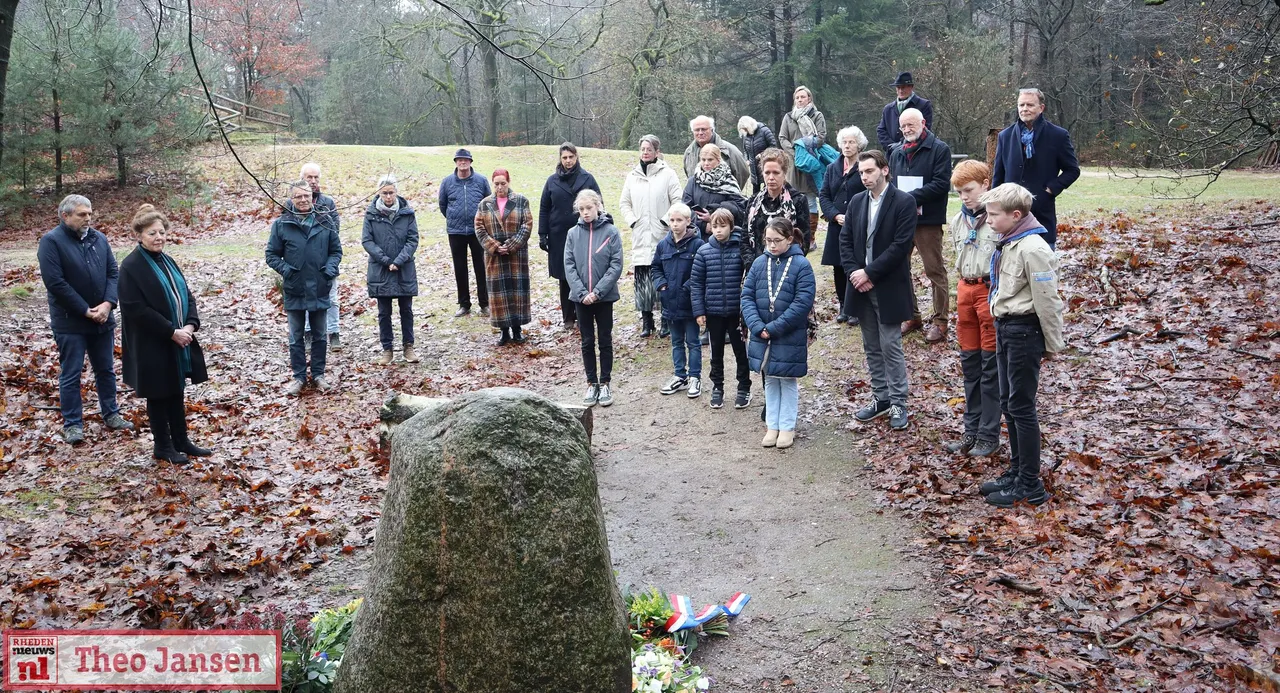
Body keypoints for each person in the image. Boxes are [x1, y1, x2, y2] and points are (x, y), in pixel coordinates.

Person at [979, 183, 1065, 508]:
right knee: (1008, 403)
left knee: (1022, 407)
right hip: (1005, 328)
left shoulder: (1033, 249)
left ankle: (1031, 485)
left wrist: (1053, 345)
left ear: (1016, 215)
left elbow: (1048, 301)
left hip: (1024, 332)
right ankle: (1016, 472)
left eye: (993, 214)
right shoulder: (1009, 243)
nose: (988, 220)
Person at [37, 194, 134, 444]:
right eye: (82, 214)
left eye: (90, 213)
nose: (88, 218)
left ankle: (111, 414)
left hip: (102, 319)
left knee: (106, 370)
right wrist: (85, 310)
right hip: (71, 322)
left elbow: (113, 273)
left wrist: (107, 304)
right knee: (71, 373)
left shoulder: (98, 238)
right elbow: (55, 283)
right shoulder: (51, 242)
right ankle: (72, 424)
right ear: (65, 215)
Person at [118, 204, 210, 464]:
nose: (159, 237)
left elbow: (186, 295)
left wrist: (190, 325)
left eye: (161, 232)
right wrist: (171, 332)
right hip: (152, 342)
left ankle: (181, 440)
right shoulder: (131, 266)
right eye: (152, 233)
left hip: (179, 338)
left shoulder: (168, 260)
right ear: (139, 236)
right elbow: (136, 310)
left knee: (176, 390)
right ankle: (162, 445)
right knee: (159, 393)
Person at [840, 150, 917, 432]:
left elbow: (901, 245)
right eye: (861, 173)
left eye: (869, 171)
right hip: (860, 285)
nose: (865, 177)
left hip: (888, 285)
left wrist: (870, 273)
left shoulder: (904, 202)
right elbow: (845, 241)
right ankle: (881, 397)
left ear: (884, 170)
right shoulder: (857, 202)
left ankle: (899, 401)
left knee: (891, 345)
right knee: (871, 346)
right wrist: (855, 273)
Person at [741, 218, 815, 450]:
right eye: (768, 241)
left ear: (790, 239)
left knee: (787, 379)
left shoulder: (801, 265)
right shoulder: (759, 262)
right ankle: (772, 425)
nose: (772, 246)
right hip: (761, 330)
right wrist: (756, 325)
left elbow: (802, 303)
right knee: (770, 379)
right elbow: (747, 296)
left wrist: (773, 328)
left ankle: (787, 427)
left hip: (787, 332)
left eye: (777, 241)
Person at [943, 161, 1001, 458]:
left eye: (969, 190)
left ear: (985, 184)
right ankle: (971, 429)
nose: (965, 197)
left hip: (990, 291)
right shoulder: (957, 221)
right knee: (970, 366)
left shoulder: (997, 220)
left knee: (991, 368)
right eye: (959, 192)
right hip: (964, 290)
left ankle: (990, 434)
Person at [266, 180, 343, 395]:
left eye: (306, 196)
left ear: (312, 197)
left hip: (319, 286)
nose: (302, 200)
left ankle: (318, 375)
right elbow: (271, 255)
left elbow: (336, 251)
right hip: (295, 288)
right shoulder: (282, 224)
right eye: (298, 196)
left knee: (319, 335)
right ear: (291, 199)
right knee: (296, 337)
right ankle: (299, 377)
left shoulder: (325, 220)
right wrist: (287, 270)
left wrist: (329, 270)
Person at [889, 107, 953, 342]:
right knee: (900, 269)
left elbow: (941, 184)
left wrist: (909, 198)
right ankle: (912, 316)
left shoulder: (940, 149)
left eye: (911, 125)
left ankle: (940, 321)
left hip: (928, 221)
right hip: (902, 221)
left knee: (934, 270)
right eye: (903, 126)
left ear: (923, 123)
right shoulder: (896, 152)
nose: (907, 130)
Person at [991, 88, 1081, 249]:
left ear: (1041, 108)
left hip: (1041, 213)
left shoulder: (1058, 135)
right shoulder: (1005, 136)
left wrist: (1050, 189)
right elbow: (998, 176)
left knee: (1042, 265)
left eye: (1030, 105)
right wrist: (994, 206)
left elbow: (1072, 170)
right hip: (1009, 214)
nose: (1025, 109)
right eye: (1021, 105)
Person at [564, 189, 623, 408]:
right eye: (581, 209)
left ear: (598, 206)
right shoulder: (572, 234)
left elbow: (616, 264)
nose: (586, 212)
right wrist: (582, 293)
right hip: (581, 299)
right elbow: (569, 265)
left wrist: (598, 292)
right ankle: (591, 382)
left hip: (604, 298)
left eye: (589, 208)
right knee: (587, 341)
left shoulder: (611, 232)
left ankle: (605, 382)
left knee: (605, 340)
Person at [619, 134, 682, 338]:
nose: (645, 152)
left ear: (656, 151)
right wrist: (633, 221)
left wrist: (666, 221)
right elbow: (624, 202)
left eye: (649, 149)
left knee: (662, 276)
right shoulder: (632, 175)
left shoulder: (668, 174)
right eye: (642, 149)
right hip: (640, 233)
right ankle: (647, 321)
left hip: (661, 233)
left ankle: (666, 319)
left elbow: (677, 200)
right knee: (642, 278)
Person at [690, 208, 753, 410]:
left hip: (737, 312)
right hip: (714, 312)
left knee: (740, 351)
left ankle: (744, 387)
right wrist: (699, 311)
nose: (718, 230)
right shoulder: (704, 251)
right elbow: (696, 283)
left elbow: (750, 278)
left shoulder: (741, 249)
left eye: (722, 226)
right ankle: (717, 386)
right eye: (714, 226)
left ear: (731, 226)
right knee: (715, 352)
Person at [539, 143, 601, 331]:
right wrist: (543, 234)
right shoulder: (552, 181)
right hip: (559, 235)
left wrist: (601, 226)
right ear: (560, 158)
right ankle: (568, 316)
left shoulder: (587, 178)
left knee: (584, 272)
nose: (568, 161)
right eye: (564, 157)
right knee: (565, 275)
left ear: (576, 157)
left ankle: (584, 313)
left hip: (585, 233)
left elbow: (599, 203)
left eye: (571, 157)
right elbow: (544, 208)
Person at [362, 175, 420, 364]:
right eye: (385, 193)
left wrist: (399, 260)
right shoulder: (371, 214)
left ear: (396, 192)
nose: (388, 197)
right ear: (379, 193)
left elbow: (413, 239)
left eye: (391, 192)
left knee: (407, 310)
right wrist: (386, 261)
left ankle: (408, 346)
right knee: (384, 312)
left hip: (404, 268)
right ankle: (387, 349)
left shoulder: (407, 213)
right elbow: (367, 241)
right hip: (381, 269)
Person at [475, 168, 534, 346]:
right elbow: (479, 228)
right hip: (495, 258)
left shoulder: (521, 201)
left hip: (516, 256)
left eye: (503, 183)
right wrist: (495, 247)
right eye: (497, 184)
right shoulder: (484, 204)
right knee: (499, 293)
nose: (500, 187)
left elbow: (527, 224)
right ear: (493, 184)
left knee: (516, 293)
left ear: (509, 183)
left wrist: (511, 245)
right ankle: (503, 331)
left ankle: (517, 330)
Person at [652, 203, 706, 399]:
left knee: (693, 341)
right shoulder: (662, 245)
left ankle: (694, 377)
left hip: (690, 303)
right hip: (670, 303)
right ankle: (679, 375)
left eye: (679, 220)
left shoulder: (698, 245)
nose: (675, 224)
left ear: (688, 221)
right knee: (676, 342)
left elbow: (701, 272)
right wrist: (662, 285)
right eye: (672, 220)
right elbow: (656, 267)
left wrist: (687, 288)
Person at [817, 126, 869, 326]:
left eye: (851, 142)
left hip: (859, 225)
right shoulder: (832, 168)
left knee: (855, 264)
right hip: (837, 225)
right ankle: (843, 306)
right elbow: (824, 195)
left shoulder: (865, 165)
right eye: (844, 142)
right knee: (838, 266)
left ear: (859, 145)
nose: (847, 146)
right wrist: (834, 215)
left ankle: (856, 307)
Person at [438, 148, 492, 318]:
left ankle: (484, 303)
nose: (462, 163)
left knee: (481, 267)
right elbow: (443, 204)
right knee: (460, 268)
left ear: (470, 162)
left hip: (478, 231)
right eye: (459, 160)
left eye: (465, 160)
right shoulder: (447, 182)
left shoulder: (481, 180)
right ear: (455, 162)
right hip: (456, 231)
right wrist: (454, 218)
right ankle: (464, 304)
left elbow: (488, 202)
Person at [299, 163, 343, 350]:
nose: (313, 181)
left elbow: (335, 233)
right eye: (309, 177)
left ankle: (334, 333)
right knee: (306, 298)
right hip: (303, 263)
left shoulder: (328, 203)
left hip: (326, 262)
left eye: (316, 177)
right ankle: (308, 333)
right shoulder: (293, 204)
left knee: (331, 299)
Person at [778, 85, 828, 234]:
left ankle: (810, 236)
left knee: (810, 200)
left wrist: (804, 148)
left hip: (811, 162)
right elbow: (783, 137)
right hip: (793, 164)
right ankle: (793, 235)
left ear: (809, 98)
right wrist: (795, 152)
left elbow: (821, 137)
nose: (800, 100)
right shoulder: (789, 117)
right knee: (792, 199)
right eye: (797, 97)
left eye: (803, 97)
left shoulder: (817, 115)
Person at [746, 148, 811, 258]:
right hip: (757, 266)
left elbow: (803, 240)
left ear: (784, 173)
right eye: (767, 173)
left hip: (788, 265)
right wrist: (753, 266)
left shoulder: (798, 200)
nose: (771, 178)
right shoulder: (753, 201)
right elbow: (745, 239)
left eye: (776, 173)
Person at [683, 142, 747, 238]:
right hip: (696, 234)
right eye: (703, 160)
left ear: (718, 160)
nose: (706, 163)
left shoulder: (728, 181)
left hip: (722, 236)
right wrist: (703, 225)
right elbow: (685, 208)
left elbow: (738, 208)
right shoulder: (693, 181)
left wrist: (713, 217)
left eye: (710, 160)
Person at [683, 116, 751, 190]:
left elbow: (743, 173)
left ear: (712, 130)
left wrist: (731, 194)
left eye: (704, 129)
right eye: (697, 130)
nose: (700, 133)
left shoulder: (730, 151)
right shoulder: (689, 153)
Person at [876, 72, 934, 150]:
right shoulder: (888, 109)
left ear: (911, 87)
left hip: (916, 152)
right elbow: (881, 130)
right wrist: (890, 146)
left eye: (903, 87)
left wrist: (902, 145)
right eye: (898, 87)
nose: (900, 90)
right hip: (892, 155)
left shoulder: (924, 105)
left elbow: (925, 128)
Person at [737, 116, 779, 197]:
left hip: (766, 165)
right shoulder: (746, 135)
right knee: (755, 193)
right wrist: (747, 159)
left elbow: (773, 146)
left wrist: (763, 155)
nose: (745, 131)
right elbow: (746, 150)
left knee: (768, 191)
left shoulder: (764, 130)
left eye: (745, 129)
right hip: (753, 168)